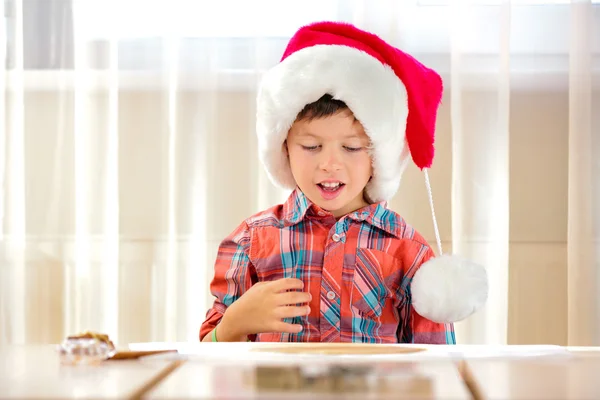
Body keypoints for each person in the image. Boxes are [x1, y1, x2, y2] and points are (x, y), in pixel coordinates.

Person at [200, 21, 488, 344]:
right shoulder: (250, 241)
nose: (329, 164)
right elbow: (209, 362)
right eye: (311, 146)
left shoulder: (408, 251)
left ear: (378, 155)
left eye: (351, 148)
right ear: (283, 147)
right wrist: (235, 322)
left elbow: (437, 363)